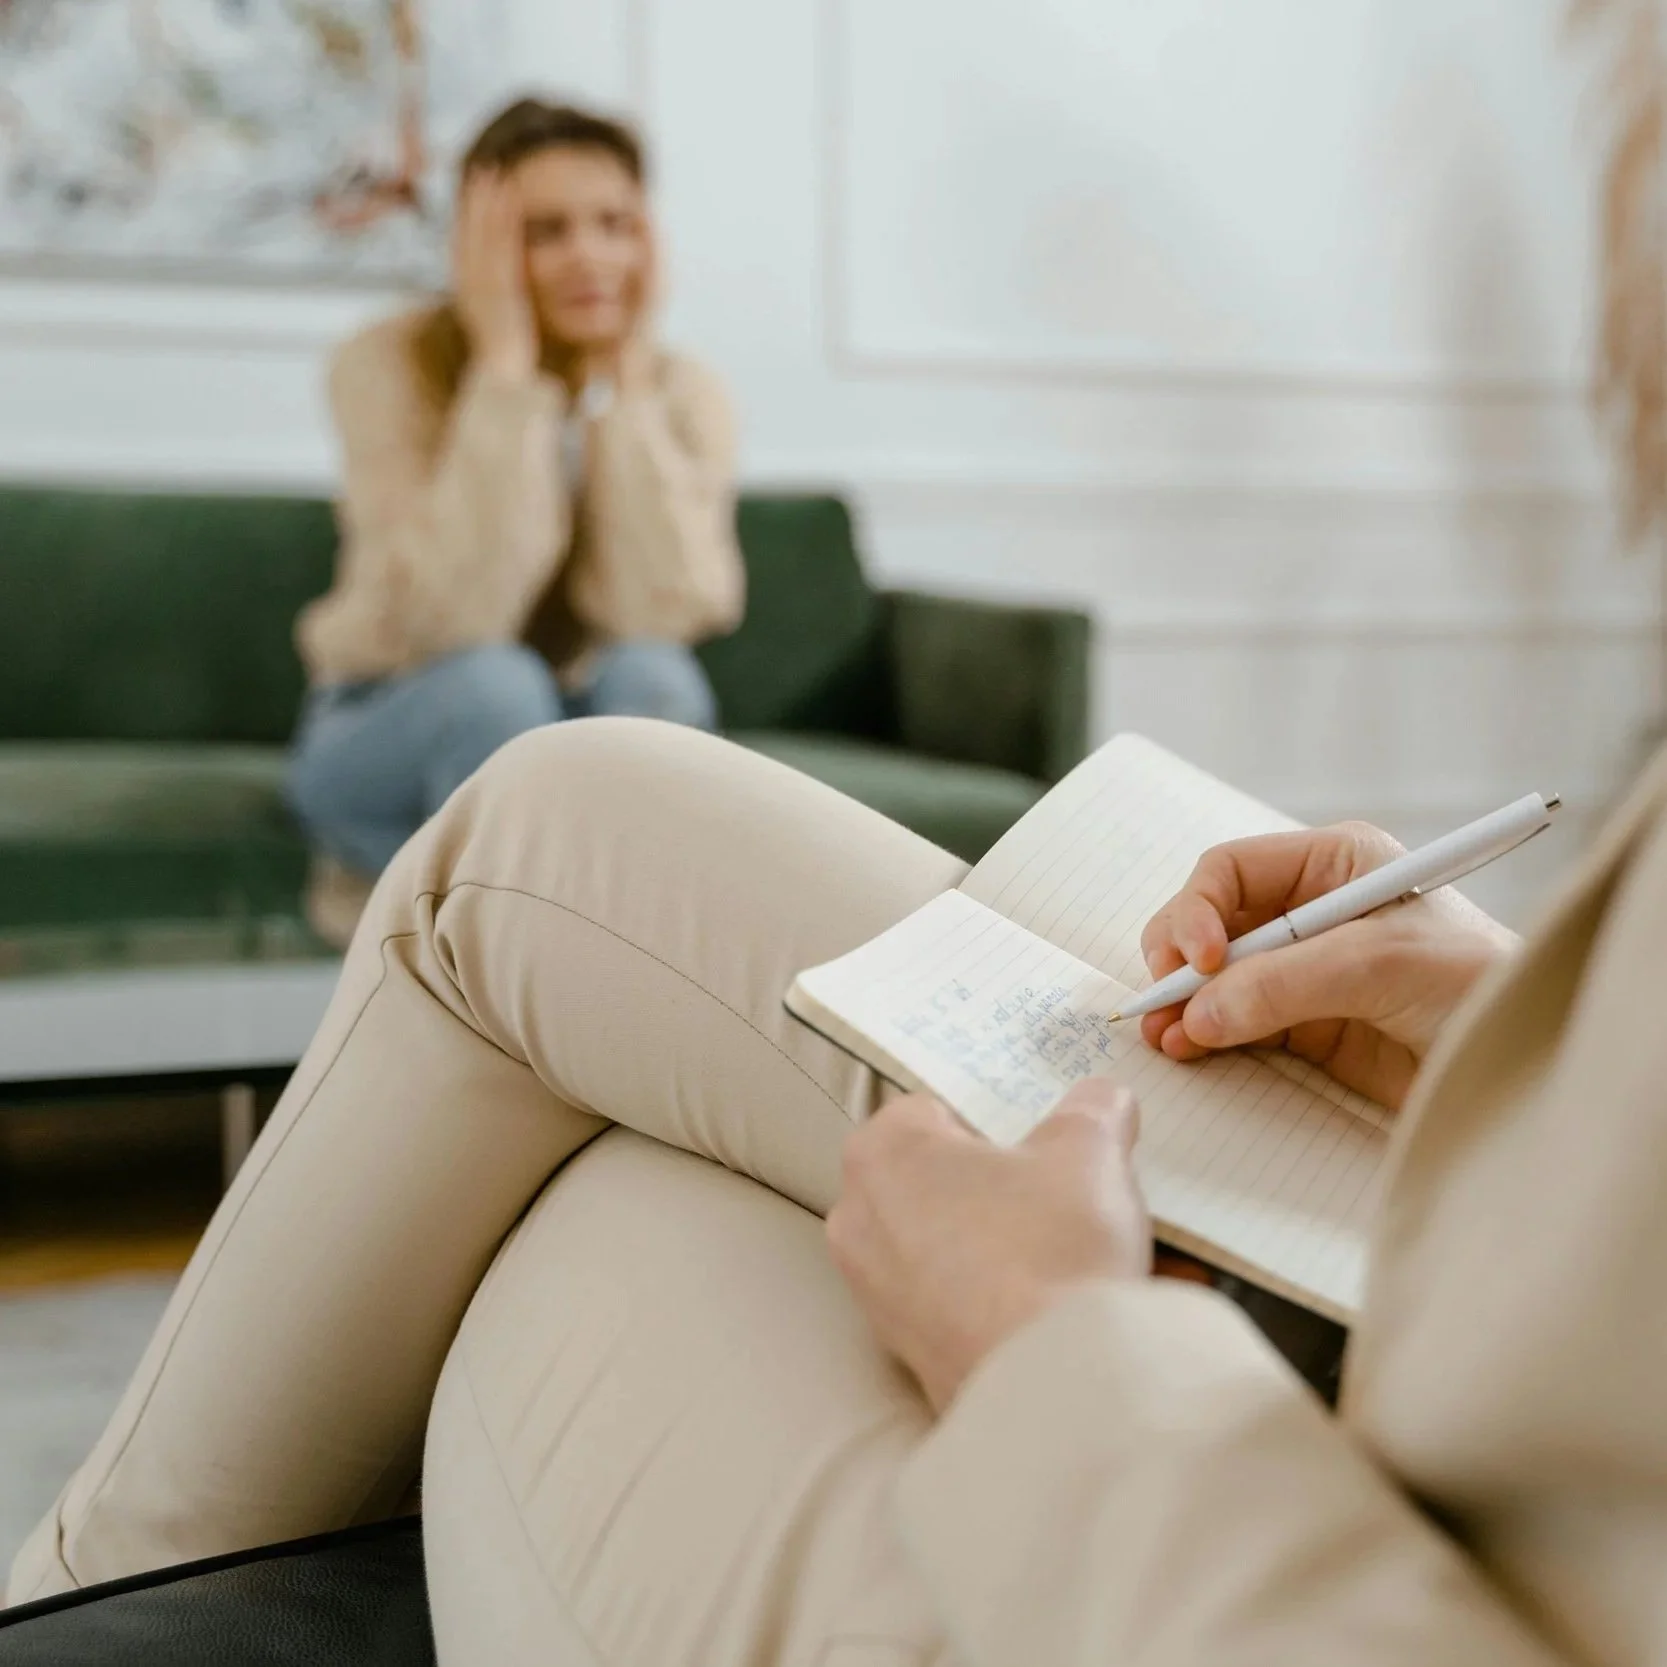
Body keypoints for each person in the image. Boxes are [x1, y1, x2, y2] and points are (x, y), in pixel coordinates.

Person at [10, 716, 1666, 1666]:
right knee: (549, 823)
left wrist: (1050, 1347)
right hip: (1469, 1365)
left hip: (1232, 1585)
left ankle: (81, 1599)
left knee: (618, 1168)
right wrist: (1515, 1035)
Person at [286, 99, 743, 919]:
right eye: (546, 231)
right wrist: (504, 374)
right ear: (476, 246)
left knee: (656, 675)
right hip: (385, 720)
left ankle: (590, 941)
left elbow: (666, 609)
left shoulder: (682, 390)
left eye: (615, 225)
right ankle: (526, 947)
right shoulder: (387, 363)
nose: (589, 256)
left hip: (572, 722)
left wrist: (627, 388)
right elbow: (455, 617)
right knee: (495, 686)